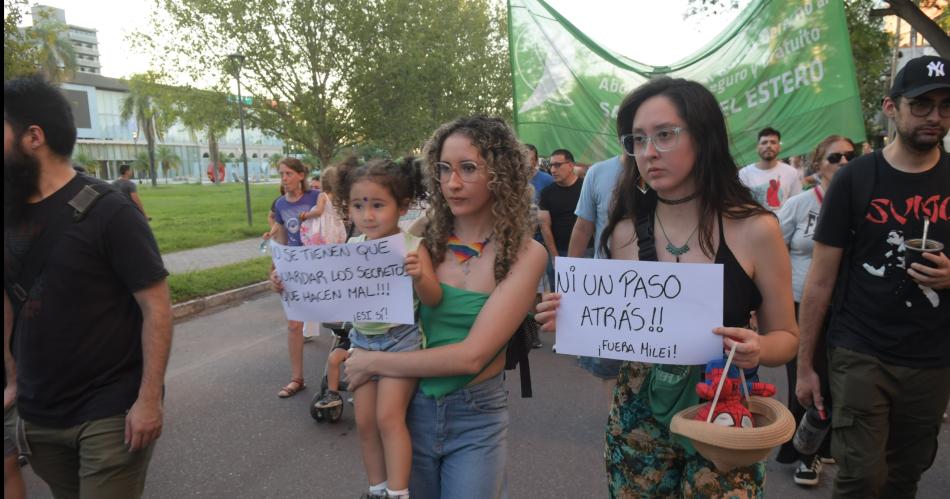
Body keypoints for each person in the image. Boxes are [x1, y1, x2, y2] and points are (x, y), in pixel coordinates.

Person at [535, 77, 798, 496]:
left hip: (723, 412)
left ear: (705, 137)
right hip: (638, 419)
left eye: (665, 135)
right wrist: (571, 315)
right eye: (637, 139)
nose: (649, 152)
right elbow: (620, 328)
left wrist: (758, 349)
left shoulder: (756, 229)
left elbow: (787, 337)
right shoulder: (621, 231)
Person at [344, 116, 547, 499]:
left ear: (499, 174)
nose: (452, 183)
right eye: (444, 169)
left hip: (476, 417)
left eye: (468, 168)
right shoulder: (418, 235)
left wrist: (372, 362)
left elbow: (472, 357)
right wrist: (296, 285)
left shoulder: (527, 254)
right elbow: (356, 287)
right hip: (409, 408)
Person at [3, 77, 173, 498]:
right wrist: (12, 380)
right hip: (40, 411)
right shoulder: (7, 213)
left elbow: (157, 307)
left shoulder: (109, 211)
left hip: (108, 411)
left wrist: (149, 399)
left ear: (33, 137)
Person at [796, 55, 950, 498]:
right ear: (891, 107)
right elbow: (820, 280)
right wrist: (806, 366)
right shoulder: (855, 179)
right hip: (860, 349)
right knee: (861, 476)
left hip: (932, 355)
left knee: (905, 475)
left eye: (944, 106)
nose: (934, 116)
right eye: (921, 105)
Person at [775, 135, 856, 486]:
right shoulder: (799, 204)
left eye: (849, 157)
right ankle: (805, 454)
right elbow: (774, 252)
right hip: (800, 304)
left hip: (850, 307)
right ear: (818, 164)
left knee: (841, 379)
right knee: (808, 379)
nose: (842, 163)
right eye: (834, 157)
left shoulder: (864, 203)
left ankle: (823, 446)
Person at [567, 154, 626, 395]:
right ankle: (617, 430)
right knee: (610, 369)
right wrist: (570, 283)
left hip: (659, 289)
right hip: (608, 289)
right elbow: (583, 227)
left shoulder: (672, 170)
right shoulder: (598, 172)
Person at [270, 157, 319, 397]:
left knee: (341, 321)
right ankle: (296, 378)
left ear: (301, 175)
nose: (284, 179)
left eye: (289, 173)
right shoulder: (280, 204)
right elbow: (280, 239)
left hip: (321, 267)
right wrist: (274, 268)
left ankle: (345, 375)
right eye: (281, 174)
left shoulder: (315, 198)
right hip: (293, 268)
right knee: (294, 325)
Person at [539, 148, 592, 263]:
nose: (552, 170)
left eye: (557, 165)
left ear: (571, 165)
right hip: (559, 252)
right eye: (551, 165)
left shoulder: (587, 188)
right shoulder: (547, 193)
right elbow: (544, 227)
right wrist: (555, 257)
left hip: (587, 251)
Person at [738, 127, 802, 211]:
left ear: (779, 147)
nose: (768, 146)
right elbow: (741, 204)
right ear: (757, 148)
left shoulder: (791, 173)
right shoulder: (744, 173)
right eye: (764, 143)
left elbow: (796, 204)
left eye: (773, 142)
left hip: (782, 223)